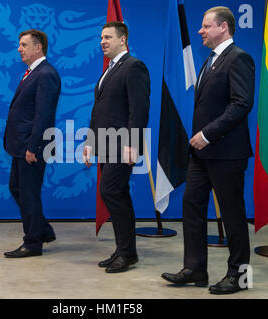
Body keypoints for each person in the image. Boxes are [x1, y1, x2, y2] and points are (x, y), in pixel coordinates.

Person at [161, 7, 255, 294]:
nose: (200, 31)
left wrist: (207, 134)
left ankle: (239, 277)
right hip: (201, 155)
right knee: (191, 207)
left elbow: (241, 104)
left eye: (205, 26)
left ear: (223, 27)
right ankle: (195, 268)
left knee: (233, 216)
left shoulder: (239, 59)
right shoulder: (210, 61)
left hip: (226, 153)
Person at [83, 21, 150, 273]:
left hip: (122, 145)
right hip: (105, 144)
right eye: (101, 37)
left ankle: (127, 252)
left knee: (110, 191)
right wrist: (90, 143)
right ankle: (125, 251)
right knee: (118, 194)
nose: (103, 41)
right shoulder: (108, 70)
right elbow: (98, 110)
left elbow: (139, 108)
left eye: (108, 37)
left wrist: (133, 142)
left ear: (123, 40)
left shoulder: (134, 67)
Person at [3, 29, 61, 258]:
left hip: (32, 147)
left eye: (24, 44)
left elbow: (43, 115)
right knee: (17, 189)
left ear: (38, 48)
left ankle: (32, 243)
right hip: (22, 145)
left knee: (28, 194)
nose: (19, 48)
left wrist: (33, 147)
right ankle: (43, 229)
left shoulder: (46, 74)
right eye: (19, 44)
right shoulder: (32, 73)